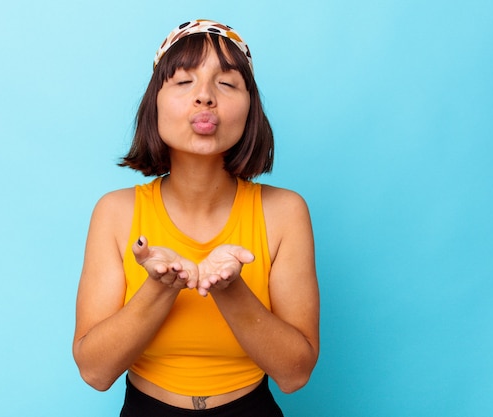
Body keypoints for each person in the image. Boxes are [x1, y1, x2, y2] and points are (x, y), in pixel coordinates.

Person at [73, 19, 320, 417]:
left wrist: (229, 288)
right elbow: (95, 371)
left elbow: (294, 375)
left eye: (227, 83)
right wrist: (160, 287)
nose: (205, 97)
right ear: (154, 102)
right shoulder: (115, 213)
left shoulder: (285, 212)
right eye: (184, 82)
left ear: (250, 108)